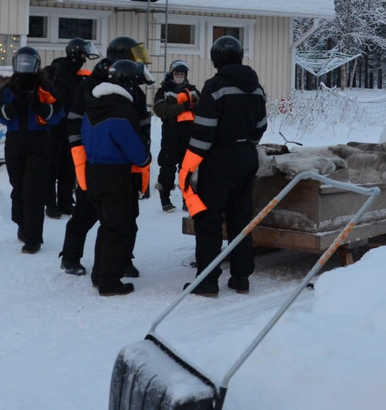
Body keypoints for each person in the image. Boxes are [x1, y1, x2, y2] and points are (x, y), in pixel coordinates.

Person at [179, 35, 267, 297]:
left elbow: (203, 133)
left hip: (218, 160)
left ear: (216, 58)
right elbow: (261, 127)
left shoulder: (214, 87)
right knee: (241, 217)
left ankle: (207, 281)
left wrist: (188, 168)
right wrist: (246, 144)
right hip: (246, 156)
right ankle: (241, 278)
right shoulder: (256, 87)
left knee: (208, 219)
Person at [59, 36, 152, 278]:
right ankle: (70, 257)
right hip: (96, 160)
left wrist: (143, 160)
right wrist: (81, 159)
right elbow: (74, 124)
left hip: (128, 162)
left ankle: (123, 259)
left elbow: (142, 124)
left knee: (128, 215)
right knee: (86, 212)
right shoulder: (93, 85)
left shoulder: (133, 87)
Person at [82, 59, 153, 296]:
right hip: (116, 176)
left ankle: (99, 274)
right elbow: (137, 153)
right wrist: (145, 155)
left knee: (106, 226)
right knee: (118, 229)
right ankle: (109, 282)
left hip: (93, 172)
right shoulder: (122, 111)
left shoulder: (92, 105)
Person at [0, 46, 63, 253]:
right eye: (21, 62)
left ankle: (34, 237)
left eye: (28, 62)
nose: (24, 66)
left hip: (39, 141)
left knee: (34, 190)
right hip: (15, 141)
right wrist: (16, 104)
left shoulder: (46, 87)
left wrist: (39, 104)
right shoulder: (9, 88)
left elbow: (58, 113)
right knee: (18, 187)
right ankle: (22, 225)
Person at [45, 38, 99, 218]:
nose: (85, 58)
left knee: (69, 166)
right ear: (76, 53)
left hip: (73, 126)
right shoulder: (58, 69)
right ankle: (51, 205)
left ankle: (66, 203)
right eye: (83, 54)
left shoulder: (80, 75)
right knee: (52, 167)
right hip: (55, 127)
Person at [153, 60, 199, 212]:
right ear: (172, 74)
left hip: (189, 135)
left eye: (182, 74)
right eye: (177, 73)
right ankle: (165, 199)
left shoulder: (192, 91)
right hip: (171, 136)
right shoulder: (164, 90)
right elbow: (161, 110)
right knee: (167, 168)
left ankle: (188, 200)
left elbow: (203, 108)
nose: (179, 76)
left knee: (189, 169)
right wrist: (184, 106)